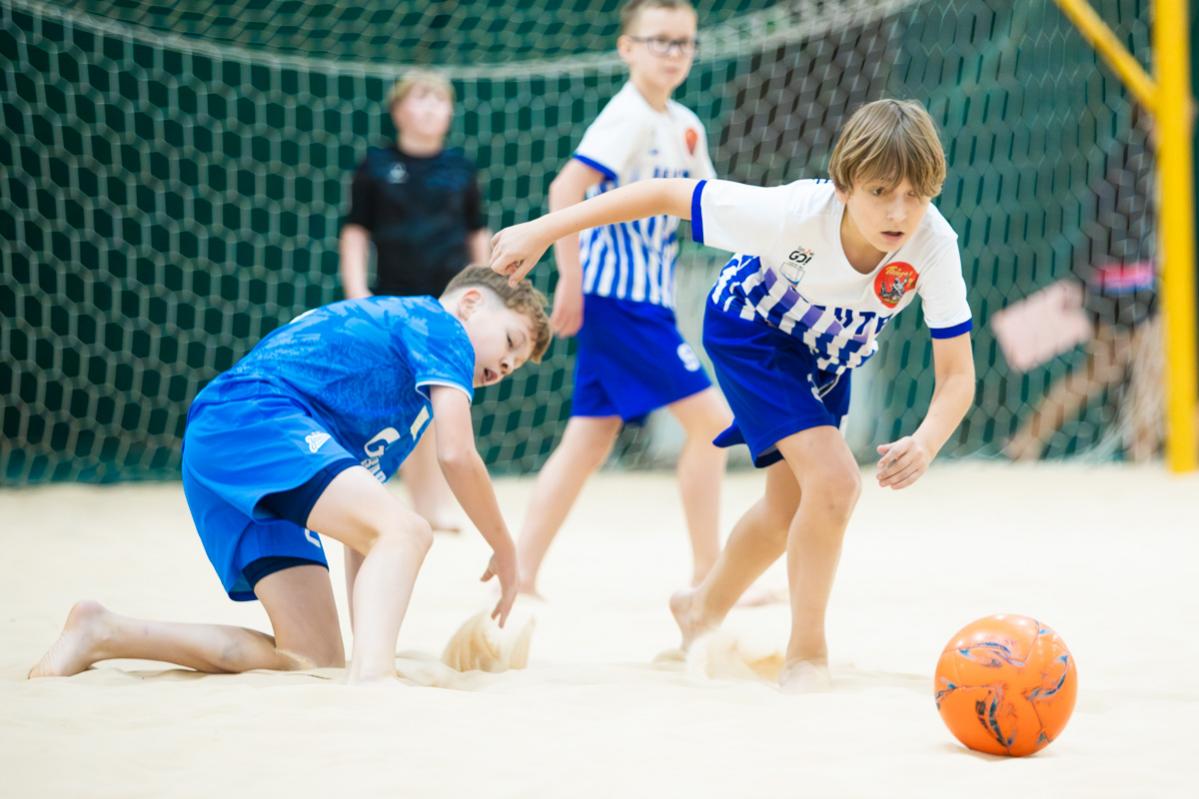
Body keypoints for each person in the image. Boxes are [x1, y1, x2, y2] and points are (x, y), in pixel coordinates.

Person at [491, 100, 977, 691]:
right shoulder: (794, 212)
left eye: (915, 195)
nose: (899, 211)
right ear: (845, 186)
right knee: (836, 483)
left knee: (785, 511)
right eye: (881, 192)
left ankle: (700, 608)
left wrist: (926, 442)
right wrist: (543, 229)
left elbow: (957, 376)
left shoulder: (933, 243)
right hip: (751, 330)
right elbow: (663, 195)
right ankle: (807, 656)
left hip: (827, 355)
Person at [29, 267, 551, 684]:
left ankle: (104, 632)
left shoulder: (406, 404)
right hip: (253, 417)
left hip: (229, 445)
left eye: (516, 364)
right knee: (409, 529)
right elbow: (457, 455)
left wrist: (371, 648)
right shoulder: (441, 327)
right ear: (470, 303)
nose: (506, 365)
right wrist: (506, 550)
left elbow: (366, 539)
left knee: (312, 657)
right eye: (510, 341)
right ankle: (375, 687)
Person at [516, 0, 732, 597]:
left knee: (589, 438)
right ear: (627, 48)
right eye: (659, 40)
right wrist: (570, 277)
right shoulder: (627, 115)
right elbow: (565, 188)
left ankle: (519, 572)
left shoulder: (684, 123)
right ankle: (709, 575)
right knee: (715, 424)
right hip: (618, 299)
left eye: (684, 42)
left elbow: (713, 205)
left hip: (644, 301)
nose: (673, 53)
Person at [339, 70, 491, 532]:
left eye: (439, 100)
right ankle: (403, 502)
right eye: (421, 98)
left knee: (442, 401)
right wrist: (357, 291)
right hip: (393, 302)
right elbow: (355, 231)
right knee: (401, 403)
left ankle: (433, 506)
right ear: (398, 110)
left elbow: (477, 232)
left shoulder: (460, 168)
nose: (430, 108)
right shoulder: (376, 165)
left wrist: (487, 287)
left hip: (449, 305)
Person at [1005, 115, 1160, 461]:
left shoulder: (1133, 156)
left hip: (1117, 283)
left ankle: (1027, 440)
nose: (1190, 115)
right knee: (1146, 366)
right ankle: (1142, 448)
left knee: (1107, 370)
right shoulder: (1134, 158)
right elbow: (1110, 229)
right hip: (1128, 285)